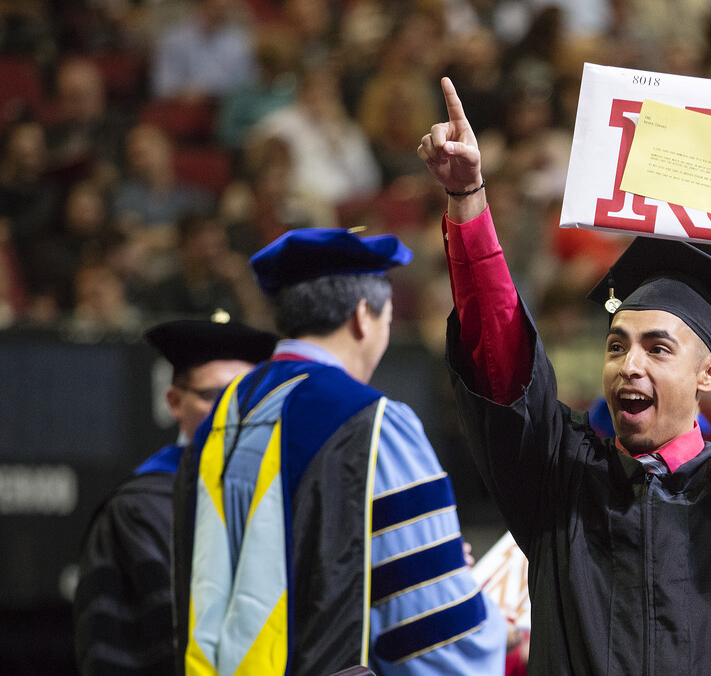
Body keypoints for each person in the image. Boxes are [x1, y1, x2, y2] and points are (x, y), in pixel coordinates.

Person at [419, 78, 711, 674]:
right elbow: (501, 366)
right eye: (617, 345)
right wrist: (469, 201)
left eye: (658, 348)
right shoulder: (559, 482)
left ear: (710, 372)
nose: (629, 364)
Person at [171, 228, 507, 675]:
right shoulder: (374, 423)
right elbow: (432, 637)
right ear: (363, 316)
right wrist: (497, 628)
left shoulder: (225, 413)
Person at [73, 313, 278, 676]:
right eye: (212, 394)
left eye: (244, 395)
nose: (229, 410)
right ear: (173, 401)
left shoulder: (274, 498)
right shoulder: (138, 511)